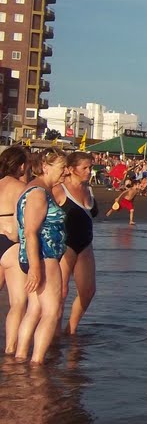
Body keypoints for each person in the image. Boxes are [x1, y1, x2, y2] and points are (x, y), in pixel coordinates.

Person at [15, 148, 68, 364]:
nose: (65, 173)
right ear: (46, 167)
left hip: (38, 258)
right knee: (51, 312)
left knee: (34, 309)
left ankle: (19, 359)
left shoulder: (37, 189)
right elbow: (30, 231)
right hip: (44, 258)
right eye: (62, 168)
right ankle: (36, 362)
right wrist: (36, 268)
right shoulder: (38, 193)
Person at [52, 151, 99, 335]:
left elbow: (92, 213)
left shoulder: (89, 189)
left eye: (91, 167)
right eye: (85, 168)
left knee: (88, 292)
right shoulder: (59, 189)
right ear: (71, 169)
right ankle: (53, 333)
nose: (89, 171)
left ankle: (70, 329)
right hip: (65, 245)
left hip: (86, 244)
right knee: (61, 293)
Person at [0, 146, 31, 353]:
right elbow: (26, 223)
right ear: (21, 166)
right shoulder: (21, 188)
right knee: (18, 302)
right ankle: (11, 350)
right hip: (10, 243)